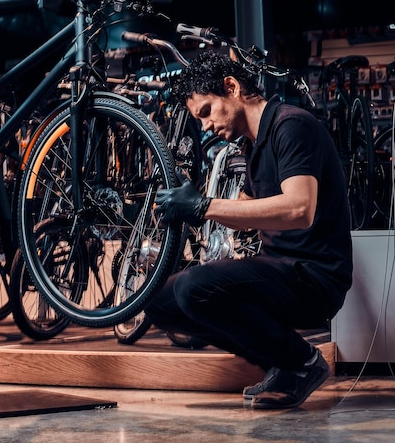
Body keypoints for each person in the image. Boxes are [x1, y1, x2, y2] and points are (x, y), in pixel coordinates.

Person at [148, 51, 353, 410]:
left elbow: (299, 209)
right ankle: (281, 364)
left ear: (232, 87)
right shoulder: (251, 145)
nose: (206, 127)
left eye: (207, 112)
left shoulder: (291, 126)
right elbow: (244, 210)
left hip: (315, 278)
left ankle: (301, 362)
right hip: (279, 268)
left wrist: (203, 206)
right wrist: (189, 206)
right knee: (157, 301)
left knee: (195, 288)